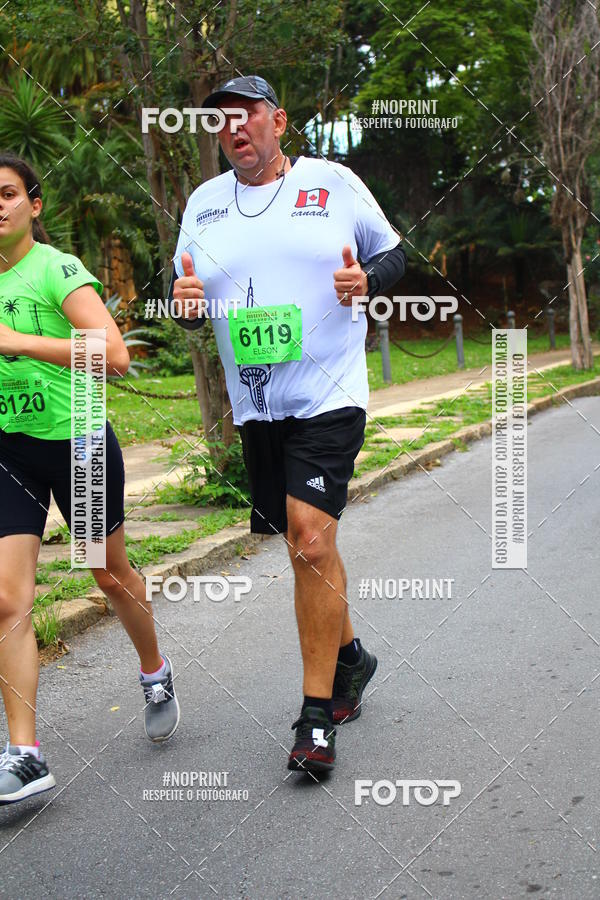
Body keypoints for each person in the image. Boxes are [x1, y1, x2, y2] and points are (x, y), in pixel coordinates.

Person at [170, 76, 406, 773]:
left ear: (279, 120)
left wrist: (368, 280)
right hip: (257, 403)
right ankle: (353, 657)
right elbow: (182, 288)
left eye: (247, 118)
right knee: (308, 546)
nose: (235, 130)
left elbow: (393, 252)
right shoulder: (204, 205)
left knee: (307, 537)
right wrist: (181, 304)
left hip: (330, 392)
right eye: (222, 122)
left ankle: (315, 719)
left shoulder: (332, 183)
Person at [0, 155, 179, 805]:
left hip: (77, 440)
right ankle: (24, 755)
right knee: (8, 602)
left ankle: (154, 672)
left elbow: (115, 355)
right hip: (7, 451)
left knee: (106, 573)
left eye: (9, 194)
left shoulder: (57, 269)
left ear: (34, 206)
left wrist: (17, 340)